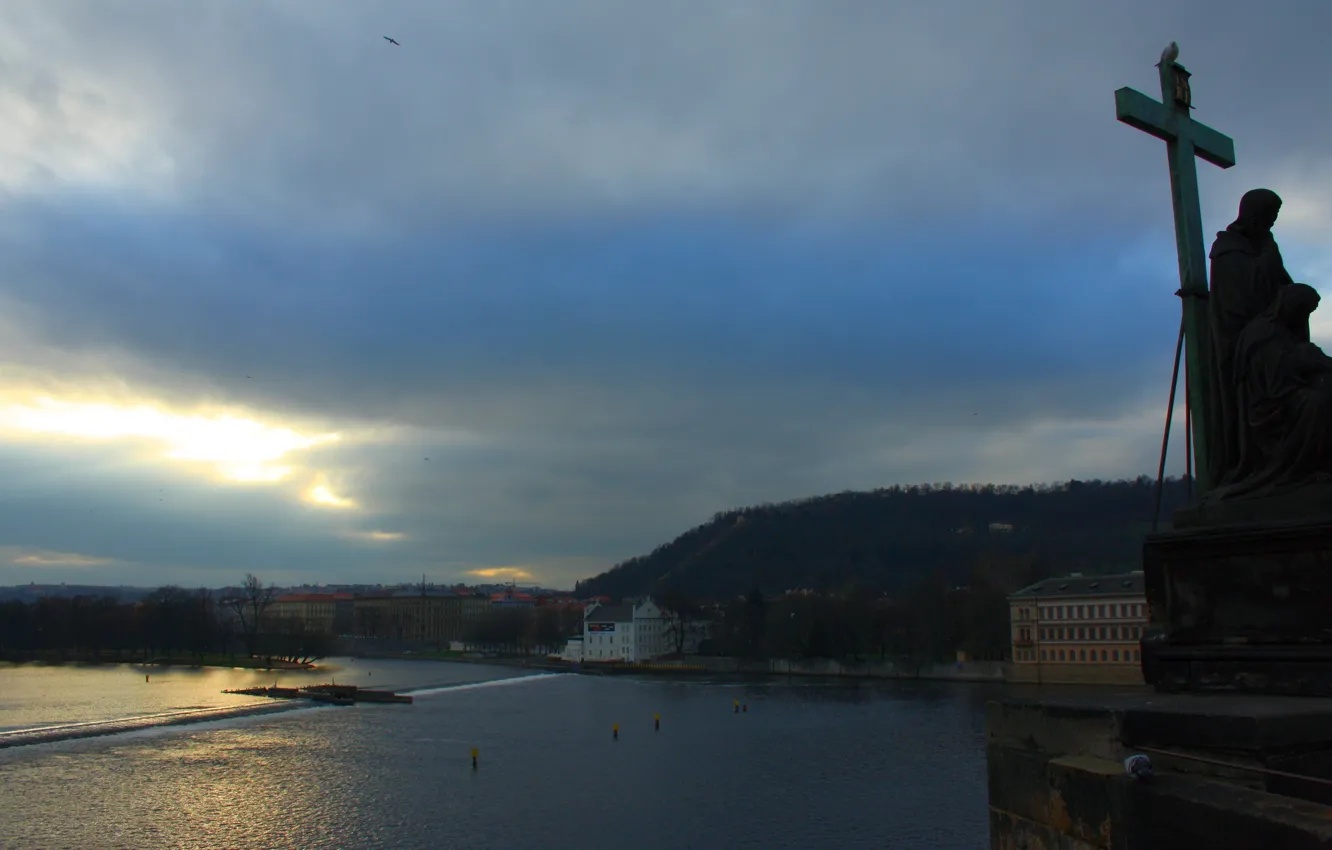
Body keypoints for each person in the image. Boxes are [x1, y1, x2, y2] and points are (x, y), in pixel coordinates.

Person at [1207, 189, 1295, 486]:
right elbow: (1243, 300)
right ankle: (1262, 464)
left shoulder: (1263, 245)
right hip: (1246, 346)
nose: (1271, 225)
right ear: (1254, 216)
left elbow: (1280, 286)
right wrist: (1269, 255)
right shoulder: (1229, 251)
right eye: (1269, 218)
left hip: (1272, 336)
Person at [1214, 284, 1332, 500]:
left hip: (1288, 395)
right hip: (1270, 407)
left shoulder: (1284, 332)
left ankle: (1319, 465)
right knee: (1315, 403)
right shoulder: (1262, 332)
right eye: (1304, 310)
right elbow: (1276, 380)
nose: (1304, 317)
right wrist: (1306, 360)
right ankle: (1299, 469)